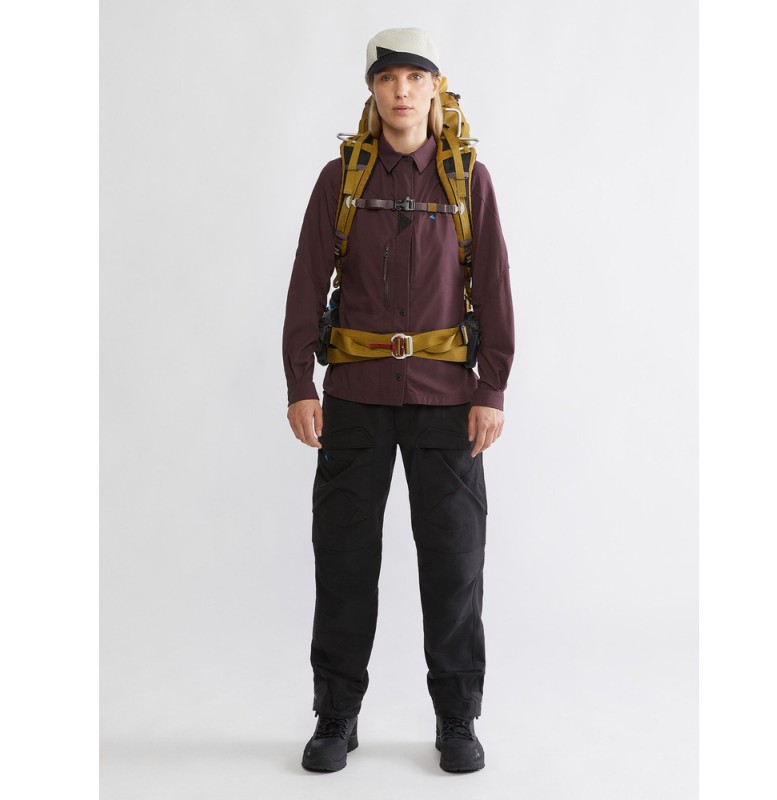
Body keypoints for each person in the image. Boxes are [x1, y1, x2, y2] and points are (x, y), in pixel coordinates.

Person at [282, 26, 514, 773]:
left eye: (415, 77)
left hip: (448, 403)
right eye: (388, 78)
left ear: (435, 87)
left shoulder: (467, 179)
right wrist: (299, 383)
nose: (402, 90)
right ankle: (336, 715)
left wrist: (492, 387)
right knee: (344, 561)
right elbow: (306, 281)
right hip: (354, 398)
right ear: (373, 90)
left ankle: (457, 719)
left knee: (454, 564)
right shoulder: (341, 179)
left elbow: (495, 286)